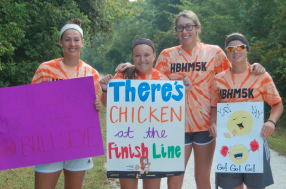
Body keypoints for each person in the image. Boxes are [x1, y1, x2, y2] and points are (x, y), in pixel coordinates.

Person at [115, 10, 266, 189]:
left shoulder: (214, 52)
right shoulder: (167, 55)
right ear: (176, 30)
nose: (184, 31)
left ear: (197, 28)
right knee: (174, 181)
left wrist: (253, 67)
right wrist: (132, 66)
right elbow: (150, 77)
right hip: (176, 125)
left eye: (189, 26)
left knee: (202, 180)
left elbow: (233, 73)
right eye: (180, 27)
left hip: (206, 125)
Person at [0, 18, 102, 189]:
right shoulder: (45, 69)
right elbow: (27, 104)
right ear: (60, 41)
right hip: (48, 144)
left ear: (82, 42)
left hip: (78, 145)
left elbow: (92, 108)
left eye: (76, 39)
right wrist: (0, 115)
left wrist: (97, 106)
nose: (72, 44)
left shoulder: (92, 73)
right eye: (67, 39)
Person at [100, 38, 191, 189]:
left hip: (153, 145)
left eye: (146, 55)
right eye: (137, 55)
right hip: (127, 145)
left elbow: (169, 112)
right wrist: (104, 89)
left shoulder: (162, 80)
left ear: (154, 55)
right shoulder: (123, 76)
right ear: (132, 57)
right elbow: (108, 106)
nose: (142, 59)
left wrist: (183, 92)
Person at [209, 33, 283, 189]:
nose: (236, 52)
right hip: (229, 143)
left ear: (247, 50)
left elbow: (277, 104)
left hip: (255, 141)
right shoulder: (218, 79)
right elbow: (215, 105)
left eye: (240, 47)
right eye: (231, 48)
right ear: (226, 52)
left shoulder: (261, 75)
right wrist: (213, 122)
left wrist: (271, 122)